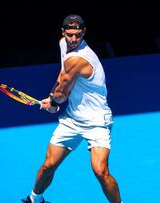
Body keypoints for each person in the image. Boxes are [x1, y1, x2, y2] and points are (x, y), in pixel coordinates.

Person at [22, 14, 122, 203]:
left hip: (97, 121)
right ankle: (35, 200)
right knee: (48, 165)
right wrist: (51, 97)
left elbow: (62, 93)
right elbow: (62, 78)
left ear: (84, 32)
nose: (74, 39)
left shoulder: (79, 59)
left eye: (78, 35)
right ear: (63, 33)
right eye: (70, 34)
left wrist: (53, 103)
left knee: (101, 171)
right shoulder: (63, 44)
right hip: (72, 119)